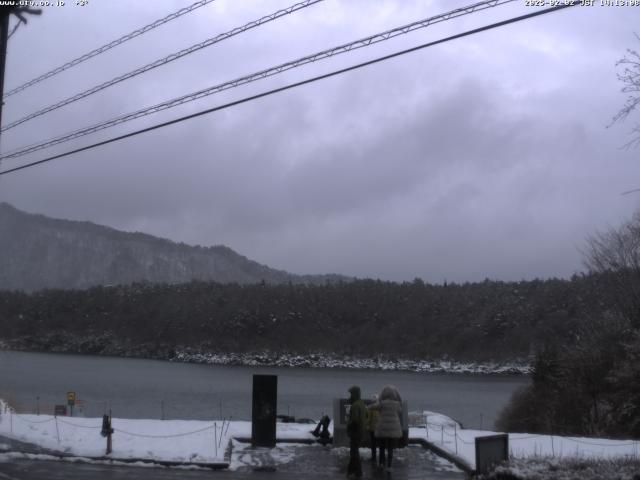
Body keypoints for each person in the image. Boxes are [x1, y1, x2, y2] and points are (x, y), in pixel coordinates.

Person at [370, 385, 402, 470]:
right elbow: (400, 411)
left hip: (383, 428)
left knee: (382, 447)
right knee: (390, 449)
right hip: (393, 429)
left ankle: (381, 463)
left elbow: (373, 407)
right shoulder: (397, 404)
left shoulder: (382, 404)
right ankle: (389, 465)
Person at [346, 385, 367, 478]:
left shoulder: (355, 405)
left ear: (354, 394)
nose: (350, 396)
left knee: (354, 452)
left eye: (351, 394)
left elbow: (355, 420)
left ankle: (358, 472)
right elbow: (365, 417)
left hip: (355, 432)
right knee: (354, 451)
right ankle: (351, 471)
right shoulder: (361, 404)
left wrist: (349, 425)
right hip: (361, 431)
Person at [366, 394, 380, 462]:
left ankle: (373, 457)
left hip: (372, 428)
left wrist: (366, 424)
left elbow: (369, 419)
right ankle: (381, 458)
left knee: (373, 444)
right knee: (380, 443)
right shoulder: (381, 407)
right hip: (380, 429)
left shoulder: (371, 408)